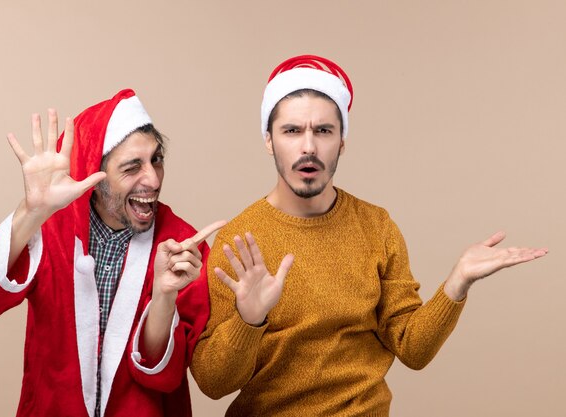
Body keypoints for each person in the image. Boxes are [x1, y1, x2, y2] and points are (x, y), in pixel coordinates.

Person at [190, 55, 548, 416]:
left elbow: (412, 349)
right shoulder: (239, 241)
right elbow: (213, 384)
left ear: (342, 141)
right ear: (269, 140)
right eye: (292, 131)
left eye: (324, 131)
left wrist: (456, 284)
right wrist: (249, 320)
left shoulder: (376, 226)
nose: (309, 146)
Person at [0, 89, 223, 417]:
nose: (152, 179)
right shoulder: (52, 229)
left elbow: (165, 379)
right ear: (95, 175)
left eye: (157, 159)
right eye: (131, 167)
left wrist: (164, 296)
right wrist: (32, 212)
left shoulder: (182, 245)